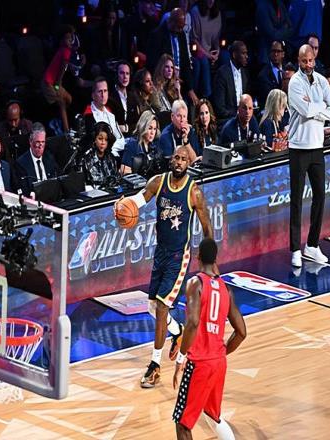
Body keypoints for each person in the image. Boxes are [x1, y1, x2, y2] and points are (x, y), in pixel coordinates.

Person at [116, 145, 213, 388]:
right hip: (160, 252)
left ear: (188, 163)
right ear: (171, 160)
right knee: (152, 307)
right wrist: (122, 206)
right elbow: (139, 200)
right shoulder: (158, 182)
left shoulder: (194, 192)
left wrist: (208, 259)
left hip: (179, 257)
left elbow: (207, 226)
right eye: (176, 158)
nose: (179, 162)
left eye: (183, 159)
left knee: (161, 307)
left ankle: (155, 365)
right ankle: (178, 331)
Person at [172, 238, 246, 440]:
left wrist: (181, 357)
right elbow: (241, 332)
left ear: (197, 257)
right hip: (218, 362)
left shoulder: (195, 283)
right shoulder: (226, 289)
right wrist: (220, 353)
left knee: (182, 423)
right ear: (216, 260)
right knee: (213, 415)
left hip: (199, 363)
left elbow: (193, 323)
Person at [287, 44, 330, 268]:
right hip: (298, 147)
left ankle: (312, 245)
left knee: (320, 196)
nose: (308, 65)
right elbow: (305, 111)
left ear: (314, 59)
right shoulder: (295, 83)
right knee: (297, 200)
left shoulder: (322, 81)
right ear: (299, 61)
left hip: (317, 147)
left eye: (310, 60)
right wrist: (320, 108)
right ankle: (295, 249)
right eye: (304, 61)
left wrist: (314, 108)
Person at [42, 24, 75, 133]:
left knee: (69, 99)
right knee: (61, 102)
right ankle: (66, 132)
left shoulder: (66, 50)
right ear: (62, 40)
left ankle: (58, 121)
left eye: (70, 38)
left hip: (55, 83)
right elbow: (62, 68)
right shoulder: (64, 51)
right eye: (67, 38)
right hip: (49, 83)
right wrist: (57, 84)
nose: (69, 41)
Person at [83, 77, 126, 158]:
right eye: (100, 91)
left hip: (114, 156)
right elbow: (94, 144)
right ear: (93, 95)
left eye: (105, 91)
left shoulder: (110, 114)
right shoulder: (88, 115)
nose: (103, 95)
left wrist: (110, 147)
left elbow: (121, 140)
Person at [212, 41, 251, 122]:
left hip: (243, 117)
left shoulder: (245, 73)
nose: (246, 56)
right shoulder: (222, 74)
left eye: (246, 53)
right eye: (243, 53)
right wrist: (237, 115)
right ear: (234, 55)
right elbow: (220, 108)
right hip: (227, 119)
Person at [15, 122, 58, 195]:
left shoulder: (49, 158)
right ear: (30, 142)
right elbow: (24, 191)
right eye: (37, 142)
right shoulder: (21, 164)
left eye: (43, 142)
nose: (40, 147)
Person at [121, 110, 162, 176]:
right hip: (135, 181)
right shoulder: (132, 145)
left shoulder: (154, 146)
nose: (152, 132)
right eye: (150, 128)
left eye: (154, 129)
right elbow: (125, 172)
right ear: (143, 127)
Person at [82, 122, 119, 187]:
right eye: (100, 139)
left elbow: (116, 180)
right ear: (94, 139)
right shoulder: (86, 160)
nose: (103, 142)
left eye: (106, 140)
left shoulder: (112, 158)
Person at [108, 60, 139, 136]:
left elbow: (137, 123)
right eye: (122, 73)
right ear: (116, 74)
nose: (125, 77)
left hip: (131, 136)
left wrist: (126, 128)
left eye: (127, 73)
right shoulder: (109, 97)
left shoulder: (132, 97)